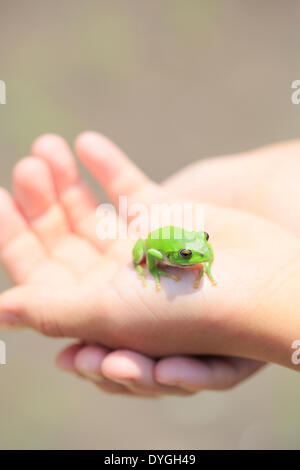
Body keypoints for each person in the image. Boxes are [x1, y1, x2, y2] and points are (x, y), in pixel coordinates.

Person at [0, 132, 299, 397]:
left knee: (198, 254)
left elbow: (201, 251)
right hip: (154, 244)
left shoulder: (199, 251)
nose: (204, 254)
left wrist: (257, 306)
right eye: (188, 257)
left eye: (204, 242)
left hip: (177, 238)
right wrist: (152, 270)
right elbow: (153, 254)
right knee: (140, 253)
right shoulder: (165, 255)